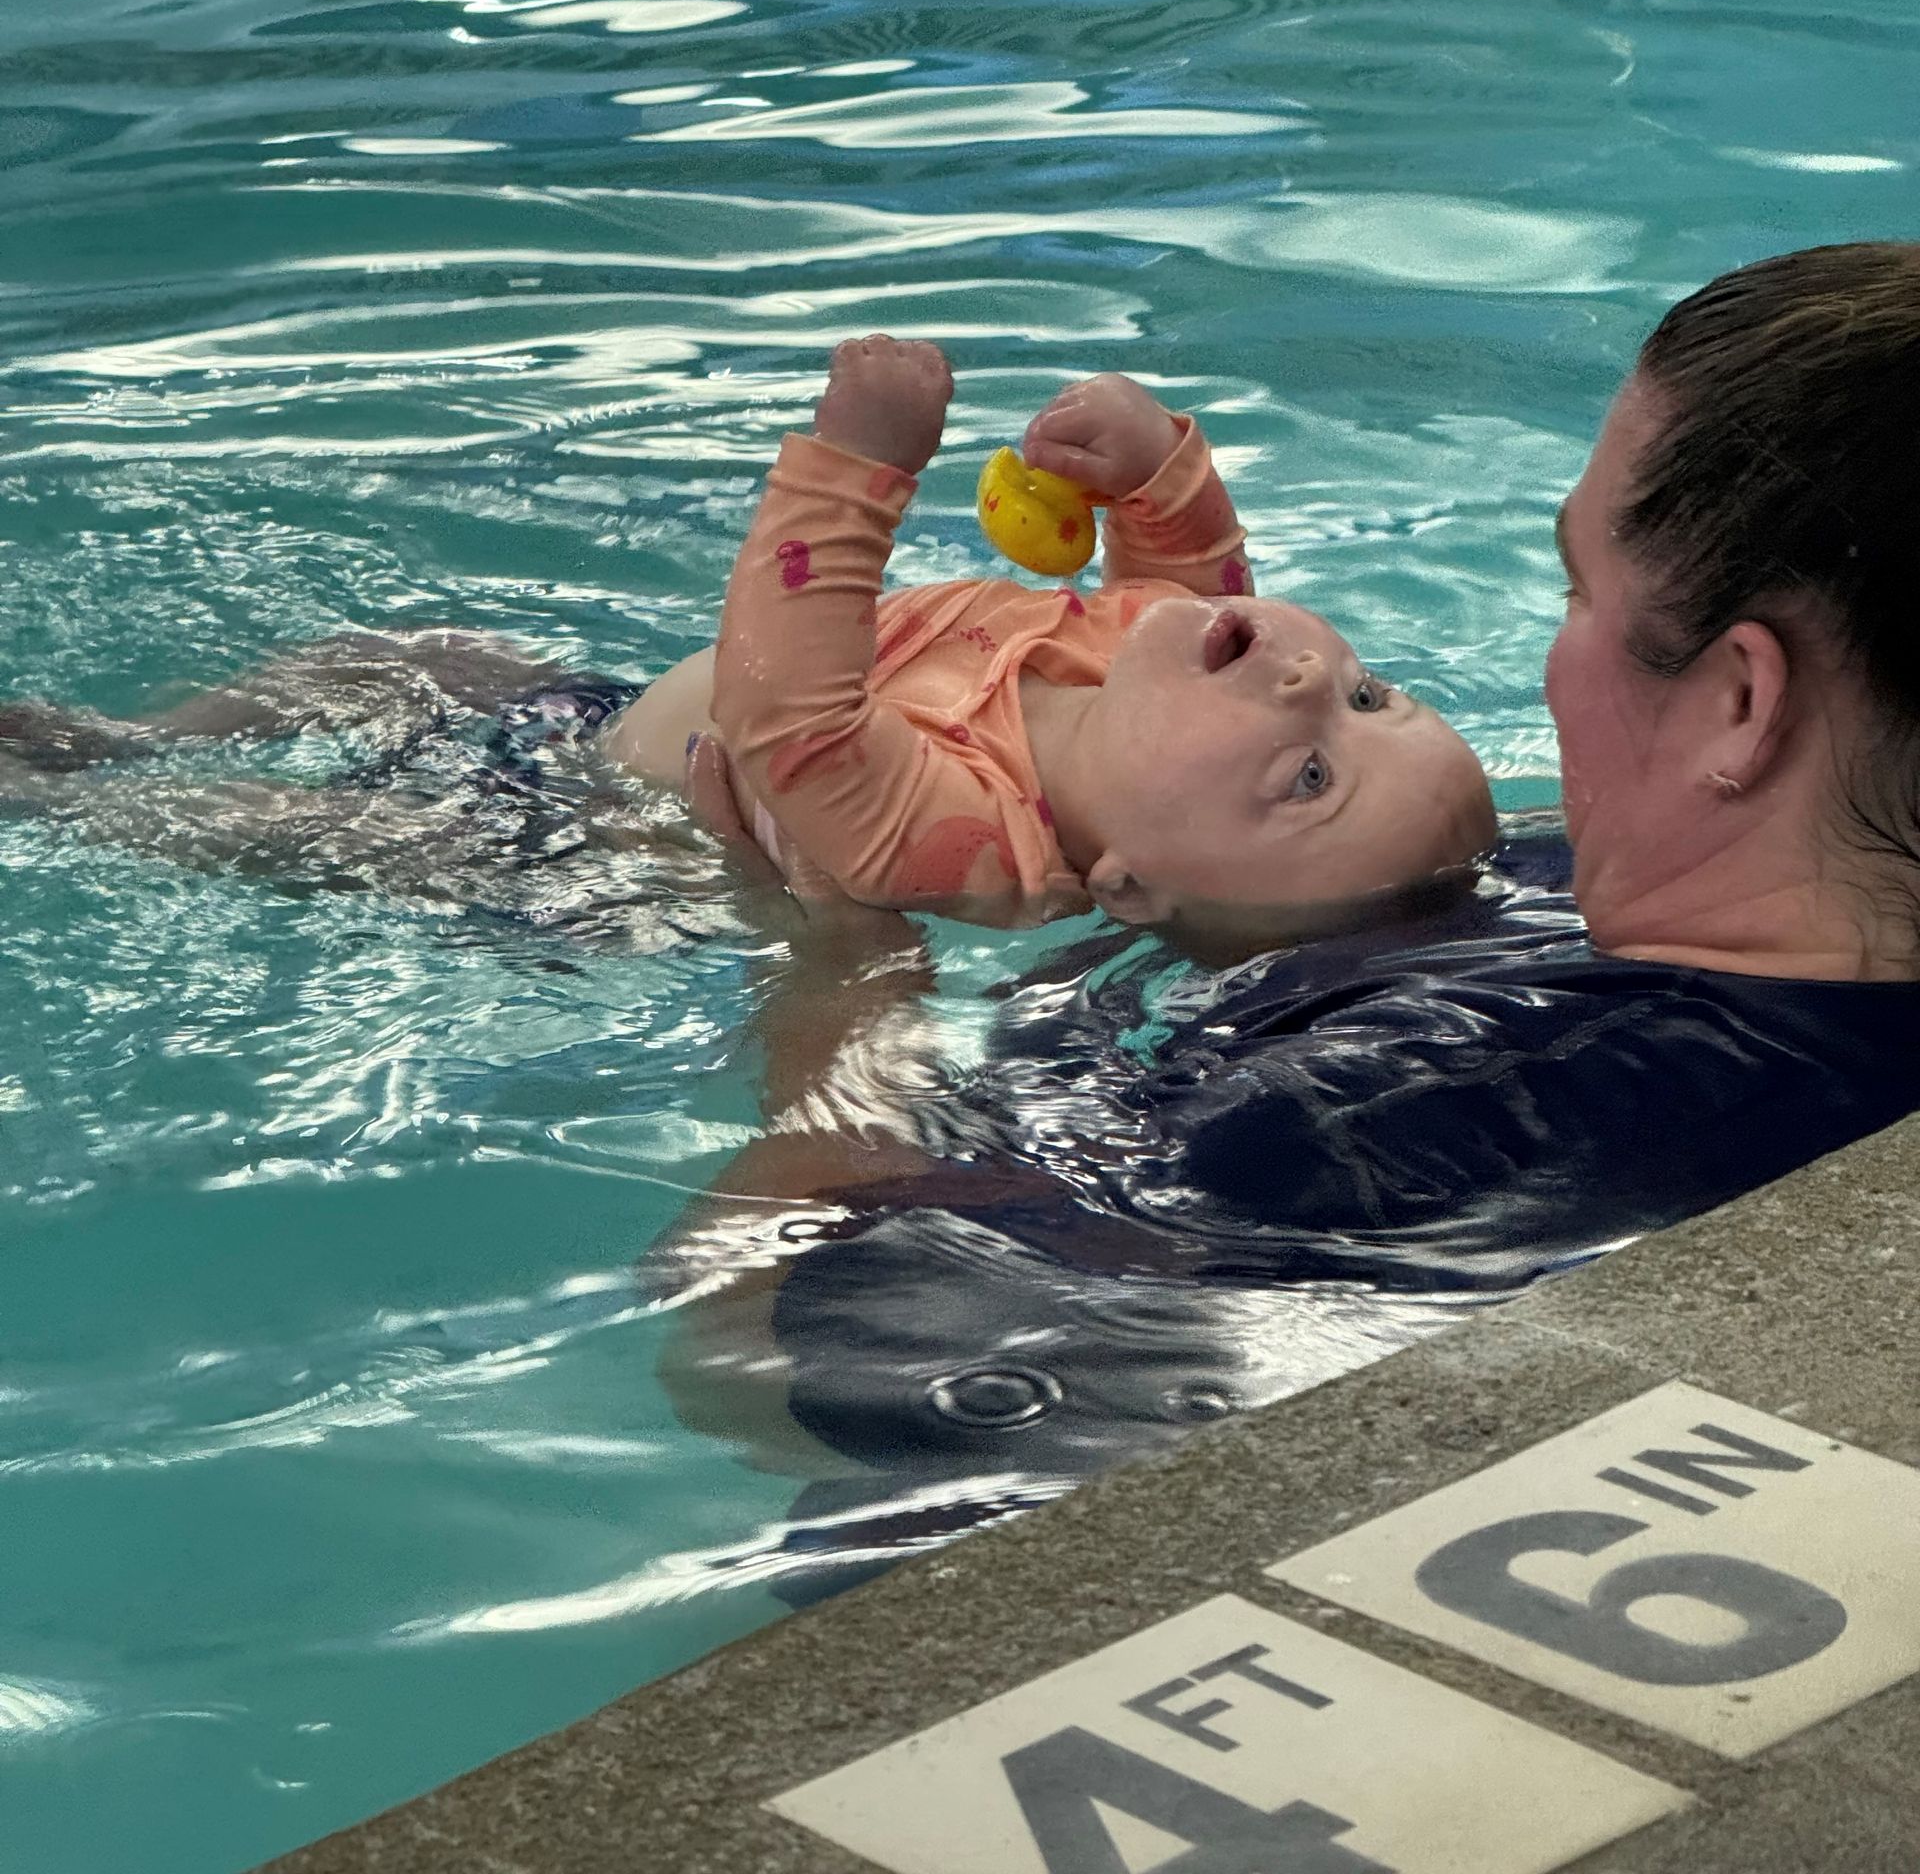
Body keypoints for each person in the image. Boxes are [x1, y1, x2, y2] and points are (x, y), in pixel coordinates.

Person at [644, 241, 1920, 1591]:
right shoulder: (1561, 912)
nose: (1559, 657)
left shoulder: (1385, 1127)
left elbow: (746, 1354)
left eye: (1579, 593)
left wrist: (838, 968)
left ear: (1738, 703)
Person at [0, 347, 1495, 958]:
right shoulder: (1145, 673)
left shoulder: (973, 846)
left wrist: (855, 471)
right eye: (1372, 694)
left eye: (1311, 776)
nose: (1313, 681)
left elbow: (793, 715)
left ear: (1129, 888)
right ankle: (134, 736)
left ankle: (70, 801)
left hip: (591, 844)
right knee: (415, 648)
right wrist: (1157, 473)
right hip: (598, 718)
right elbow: (1194, 596)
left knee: (317, 833)